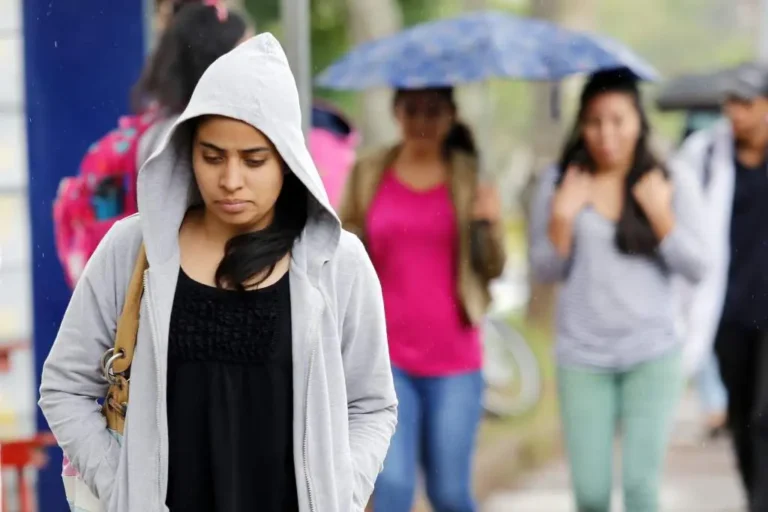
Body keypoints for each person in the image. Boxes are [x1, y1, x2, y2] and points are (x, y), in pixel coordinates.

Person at [39, 33, 397, 512]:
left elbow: (372, 404)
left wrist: (339, 492)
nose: (231, 180)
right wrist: (124, 489)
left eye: (254, 160)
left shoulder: (337, 261)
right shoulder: (134, 249)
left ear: (288, 160)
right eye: (212, 156)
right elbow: (65, 387)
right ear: (187, 151)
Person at [528, 69, 708, 512]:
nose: (606, 134)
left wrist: (661, 217)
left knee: (641, 491)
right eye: (594, 121)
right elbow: (544, 270)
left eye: (618, 120)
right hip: (582, 357)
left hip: (652, 353)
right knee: (591, 495)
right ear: (581, 125)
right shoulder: (560, 182)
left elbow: (698, 266)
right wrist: (562, 219)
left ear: (638, 122)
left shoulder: (669, 178)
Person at [340, 87, 505, 512]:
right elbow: (343, 247)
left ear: (451, 115)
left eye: (433, 111)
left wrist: (487, 225)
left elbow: (493, 267)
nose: (421, 121)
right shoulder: (369, 171)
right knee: (392, 489)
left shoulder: (469, 176)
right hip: (385, 357)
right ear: (396, 111)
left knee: (449, 493)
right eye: (411, 109)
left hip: (455, 358)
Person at [672, 62, 768, 511]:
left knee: (766, 416)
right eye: (731, 102)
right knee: (743, 417)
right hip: (727, 309)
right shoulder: (705, 155)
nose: (736, 112)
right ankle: (754, 495)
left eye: (746, 102)